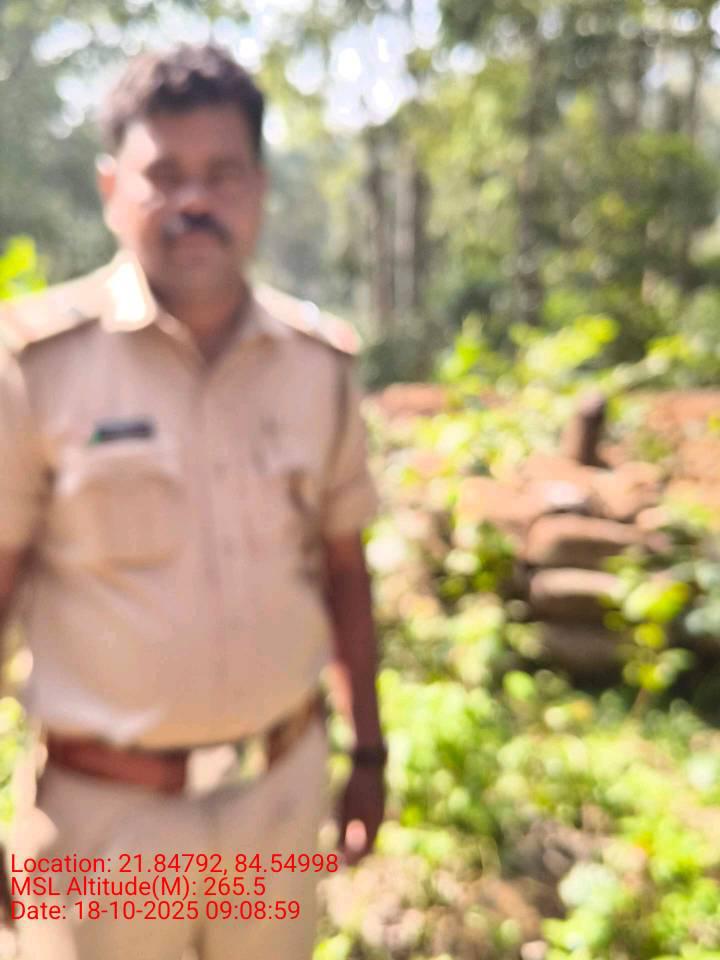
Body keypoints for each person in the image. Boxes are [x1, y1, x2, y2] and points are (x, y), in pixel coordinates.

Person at [0, 43, 385, 960]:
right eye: (164, 175)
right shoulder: (35, 369)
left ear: (260, 187)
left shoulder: (317, 366)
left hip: (276, 803)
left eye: (222, 173)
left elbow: (344, 571)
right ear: (112, 188)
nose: (195, 201)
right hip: (105, 825)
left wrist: (369, 754)